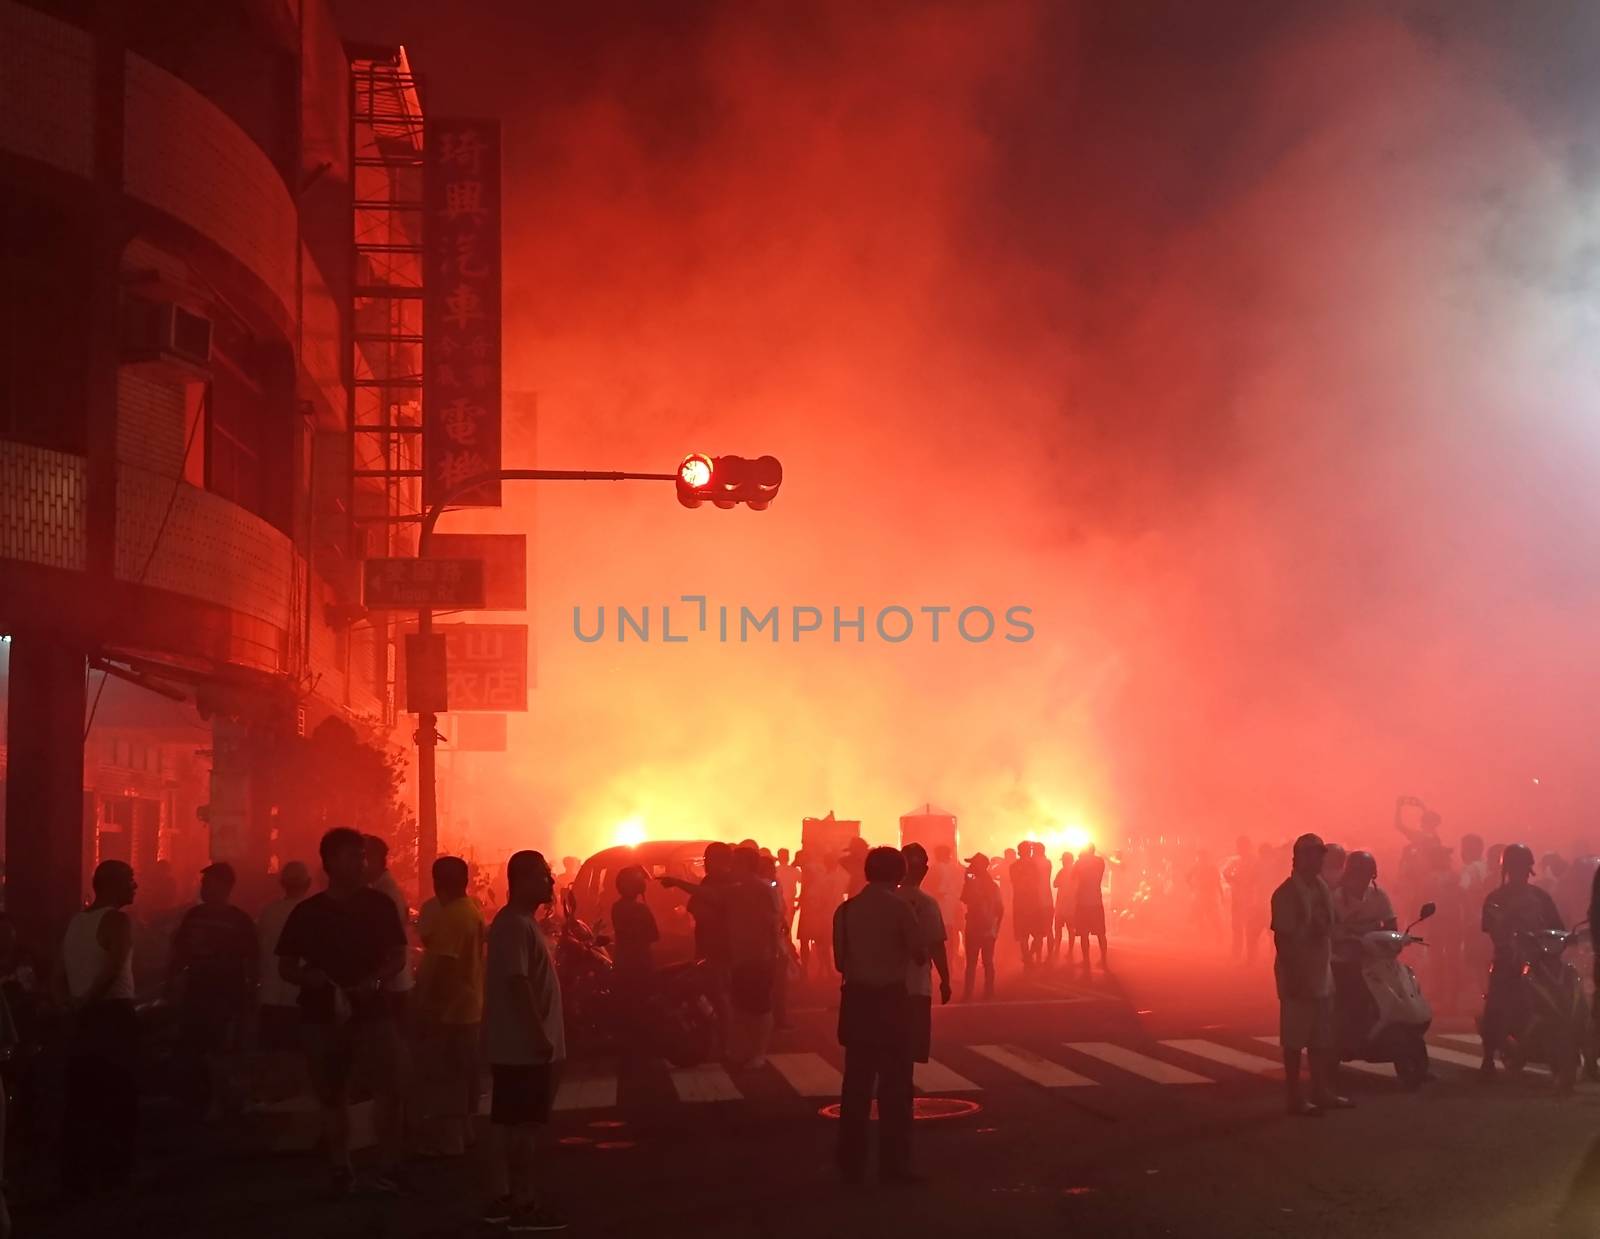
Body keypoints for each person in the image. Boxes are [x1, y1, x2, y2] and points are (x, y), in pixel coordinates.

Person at [277, 827, 408, 1195]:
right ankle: (341, 1167)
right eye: (354, 856)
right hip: (322, 1015)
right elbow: (286, 966)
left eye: (363, 856)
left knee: (391, 1088)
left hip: (373, 1011)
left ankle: (388, 1167)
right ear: (331, 861)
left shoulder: (380, 905)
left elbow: (397, 956)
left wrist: (376, 980)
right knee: (333, 1093)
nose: (362, 863)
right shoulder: (308, 912)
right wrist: (310, 978)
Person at [481, 850, 567, 1232]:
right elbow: (518, 984)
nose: (550, 883)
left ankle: (502, 1198)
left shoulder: (519, 924)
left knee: (508, 1123)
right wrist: (538, 1036)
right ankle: (524, 1205)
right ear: (524, 880)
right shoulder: (515, 926)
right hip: (523, 1048)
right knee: (524, 1128)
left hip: (516, 1045)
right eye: (544, 876)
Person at [833, 846, 923, 1185]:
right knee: (896, 1086)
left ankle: (850, 1165)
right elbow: (918, 954)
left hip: (856, 1001)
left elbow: (840, 963)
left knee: (855, 1085)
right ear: (899, 875)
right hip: (890, 1001)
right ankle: (894, 1166)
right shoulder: (902, 908)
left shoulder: (845, 911)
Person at [57, 859, 139, 1193]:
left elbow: (57, 975)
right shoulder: (118, 921)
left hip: (81, 1020)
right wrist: (90, 999)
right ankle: (113, 1175)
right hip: (112, 1016)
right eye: (131, 880)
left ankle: (75, 1175)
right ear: (112, 885)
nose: (136, 886)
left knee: (81, 1100)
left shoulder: (75, 922)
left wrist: (70, 1006)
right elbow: (113, 968)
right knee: (119, 1097)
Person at [166, 861, 258, 1119]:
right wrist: (171, 982)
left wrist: (251, 995)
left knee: (221, 1050)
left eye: (209, 881)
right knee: (197, 1047)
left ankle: (219, 1102)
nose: (203, 886)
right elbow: (179, 953)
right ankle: (200, 1100)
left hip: (227, 995)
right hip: (197, 994)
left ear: (225, 886)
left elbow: (252, 959)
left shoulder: (239, 920)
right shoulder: (193, 917)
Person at [1270, 833, 1349, 1116]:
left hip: (1320, 972)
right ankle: (1294, 1096)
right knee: (1294, 1041)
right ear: (1297, 858)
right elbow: (1283, 939)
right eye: (1311, 854)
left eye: (1319, 854)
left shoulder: (1321, 889)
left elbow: (1330, 925)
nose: (1317, 859)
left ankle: (1320, 1090)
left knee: (1319, 1039)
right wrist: (1293, 978)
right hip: (1298, 974)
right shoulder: (1286, 893)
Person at [415, 855, 485, 1158]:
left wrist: (428, 1006)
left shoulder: (451, 917)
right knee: (464, 1071)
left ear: (437, 882)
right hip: (469, 1004)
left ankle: (451, 1142)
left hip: (450, 1009)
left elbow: (442, 966)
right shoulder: (472, 910)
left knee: (448, 1075)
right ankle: (466, 1134)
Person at [1479, 843, 1563, 1079]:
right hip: (1508, 960)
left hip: (1541, 959)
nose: (1520, 872)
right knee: (1496, 1004)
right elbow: (1493, 931)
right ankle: (1487, 1058)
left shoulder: (1541, 897)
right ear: (1507, 870)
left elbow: (1558, 927)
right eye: (1516, 867)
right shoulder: (1495, 898)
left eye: (1524, 867)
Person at [899, 844, 952, 1068]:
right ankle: (902, 1100)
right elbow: (937, 946)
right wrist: (945, 981)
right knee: (909, 1053)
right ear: (925, 870)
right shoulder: (928, 904)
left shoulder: (885, 900)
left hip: (882, 987)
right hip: (916, 987)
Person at [256, 861, 312, 1066]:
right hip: (301, 998)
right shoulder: (312, 913)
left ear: (282, 883)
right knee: (297, 1060)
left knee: (271, 1059)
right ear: (308, 883)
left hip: (269, 996)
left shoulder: (268, 913)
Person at [363, 835, 416, 1021]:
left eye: (362, 857)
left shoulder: (386, 895)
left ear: (375, 859)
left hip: (390, 986)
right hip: (388, 983)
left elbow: (389, 946)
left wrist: (374, 980)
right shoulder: (379, 890)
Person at [960, 854, 1003, 1001]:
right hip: (988, 928)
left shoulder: (973, 883)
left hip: (974, 927)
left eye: (973, 864)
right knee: (988, 962)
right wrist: (996, 928)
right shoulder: (993, 885)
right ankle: (989, 991)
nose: (970, 867)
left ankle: (968, 993)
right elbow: (1000, 909)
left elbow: (964, 898)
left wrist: (968, 880)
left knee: (971, 963)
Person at [1072, 844, 1109, 972]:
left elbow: (1073, 878)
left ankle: (1086, 960)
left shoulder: (1079, 863)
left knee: (1083, 933)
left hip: (1083, 902)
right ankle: (1103, 959)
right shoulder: (1100, 862)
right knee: (1100, 933)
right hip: (1096, 902)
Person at [1223, 836, 1256, 962]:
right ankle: (1237, 954)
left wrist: (1240, 882)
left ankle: (1249, 955)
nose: (1238, 848)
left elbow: (1254, 879)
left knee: (1249, 928)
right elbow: (1227, 873)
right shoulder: (1238, 861)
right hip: (1237, 897)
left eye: (1240, 846)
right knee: (1236, 926)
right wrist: (1232, 879)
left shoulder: (1253, 861)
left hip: (1248, 899)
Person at [929, 846, 964, 960]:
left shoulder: (934, 869)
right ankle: (953, 960)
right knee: (952, 934)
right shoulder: (956, 868)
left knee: (942, 937)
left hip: (941, 907)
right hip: (953, 905)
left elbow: (927, 888)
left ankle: (946, 963)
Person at [1187, 851, 1222, 945]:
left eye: (1203, 857)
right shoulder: (1196, 867)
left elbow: (1218, 882)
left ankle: (1219, 936)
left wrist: (1221, 895)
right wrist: (1192, 887)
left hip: (1210, 896)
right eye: (1200, 857)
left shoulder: (1212, 868)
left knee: (1212, 917)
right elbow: (1187, 877)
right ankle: (1203, 938)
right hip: (1200, 895)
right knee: (1200, 917)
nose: (1202, 860)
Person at [1051, 851, 1076, 962]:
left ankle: (1057, 950)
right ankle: (1070, 951)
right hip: (1071, 906)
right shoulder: (1077, 871)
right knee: (1071, 930)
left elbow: (1055, 884)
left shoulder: (1062, 871)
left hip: (1062, 905)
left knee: (1058, 930)